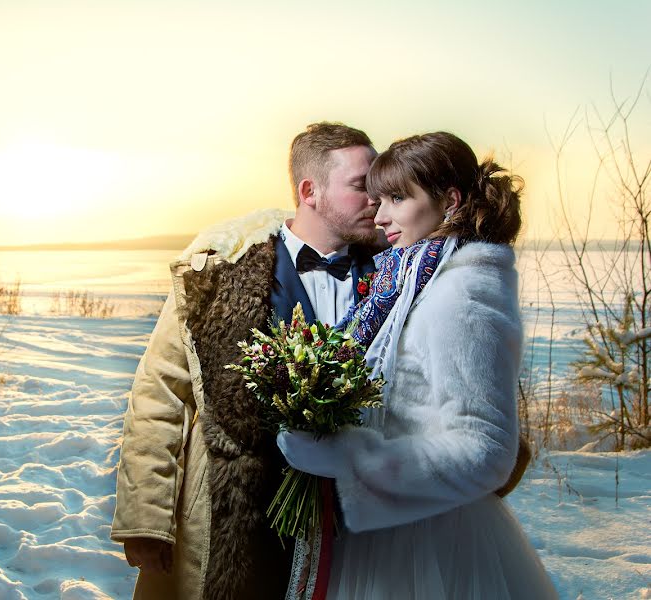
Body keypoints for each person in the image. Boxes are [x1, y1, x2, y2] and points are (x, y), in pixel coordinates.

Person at [278, 131, 558, 599]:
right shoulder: (410, 275)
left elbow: (487, 449)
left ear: (449, 200)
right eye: (376, 196)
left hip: (431, 545)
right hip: (391, 529)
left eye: (396, 198)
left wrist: (351, 460)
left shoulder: (464, 290)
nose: (379, 214)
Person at [110, 122, 383, 599]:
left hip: (360, 524)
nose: (376, 200)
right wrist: (146, 517)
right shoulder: (217, 267)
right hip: (233, 512)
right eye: (361, 186)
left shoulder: (396, 273)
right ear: (309, 191)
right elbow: (161, 390)